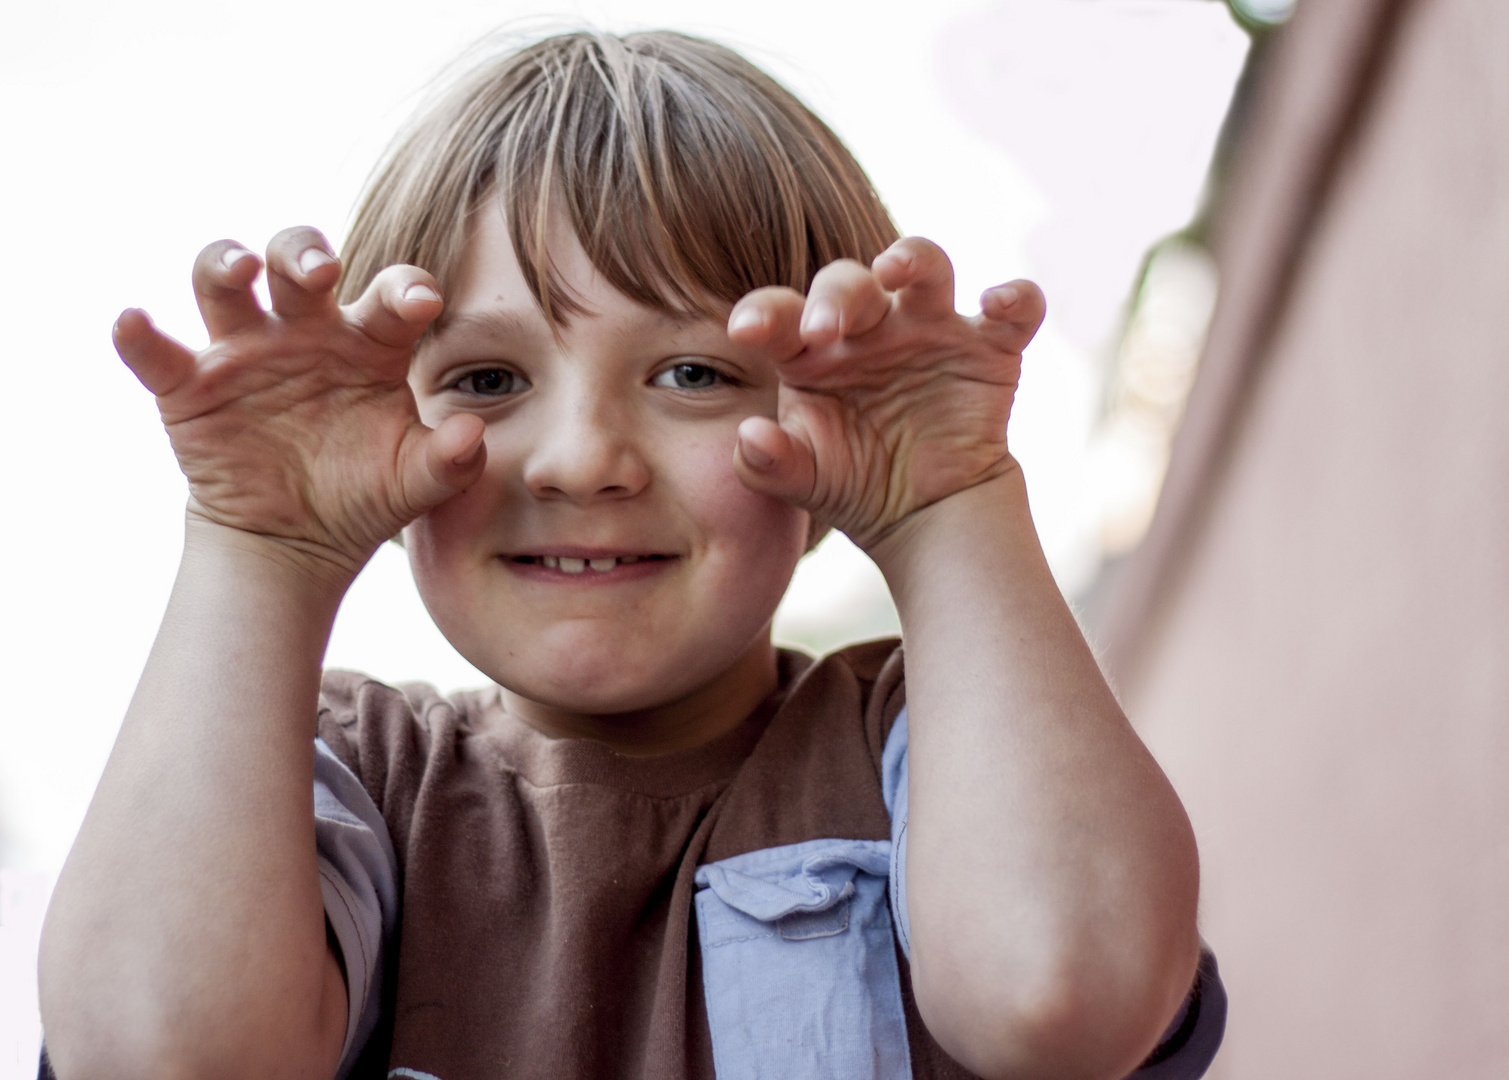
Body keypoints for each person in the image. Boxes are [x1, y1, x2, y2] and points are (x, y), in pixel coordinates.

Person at [36, 29, 1223, 1080]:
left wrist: (948, 502)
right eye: (488, 380)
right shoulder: (356, 779)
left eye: (693, 374)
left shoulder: (936, 748)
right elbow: (160, 1054)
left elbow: (1066, 995)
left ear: (834, 425)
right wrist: (260, 549)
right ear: (375, 440)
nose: (580, 460)